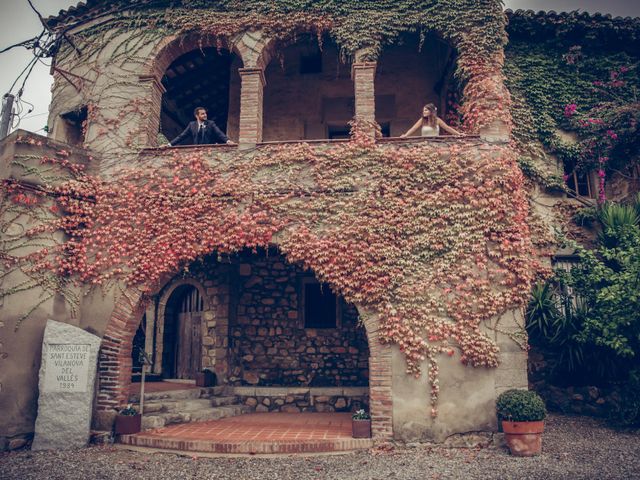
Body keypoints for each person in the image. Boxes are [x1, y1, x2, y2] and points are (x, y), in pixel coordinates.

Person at [166, 107, 235, 146]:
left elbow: (219, 133)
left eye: (205, 113)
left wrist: (227, 141)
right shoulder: (192, 125)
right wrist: (169, 144)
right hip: (196, 150)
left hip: (209, 150)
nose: (205, 115)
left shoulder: (211, 123)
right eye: (202, 114)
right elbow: (181, 136)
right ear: (197, 116)